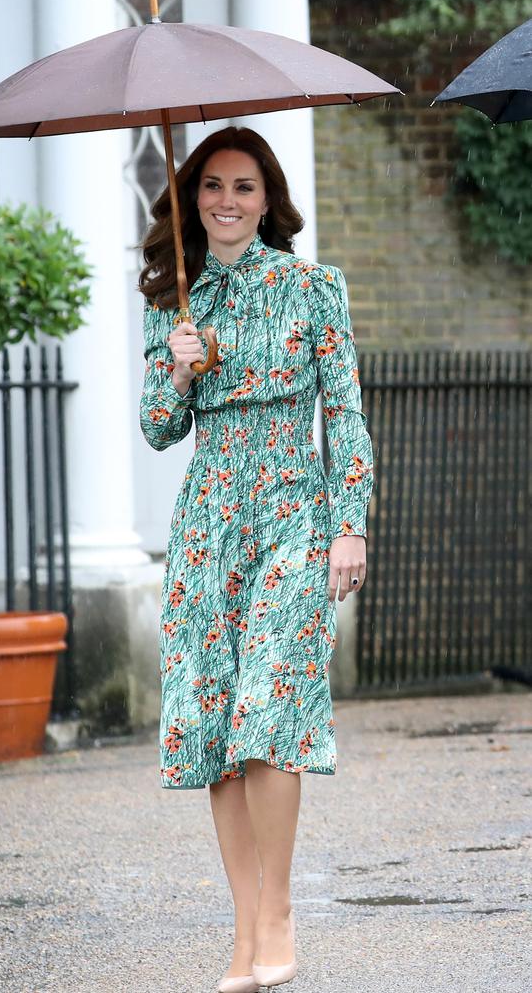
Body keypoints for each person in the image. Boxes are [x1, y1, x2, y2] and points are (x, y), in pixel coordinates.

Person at [138, 126, 373, 993]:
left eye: (243, 187)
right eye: (211, 187)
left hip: (291, 516)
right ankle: (245, 935)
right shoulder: (177, 299)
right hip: (207, 526)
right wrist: (179, 368)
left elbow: (343, 413)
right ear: (192, 198)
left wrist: (348, 524)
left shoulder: (315, 288)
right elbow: (160, 430)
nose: (225, 201)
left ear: (268, 198)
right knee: (217, 732)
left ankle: (278, 914)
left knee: (272, 710)